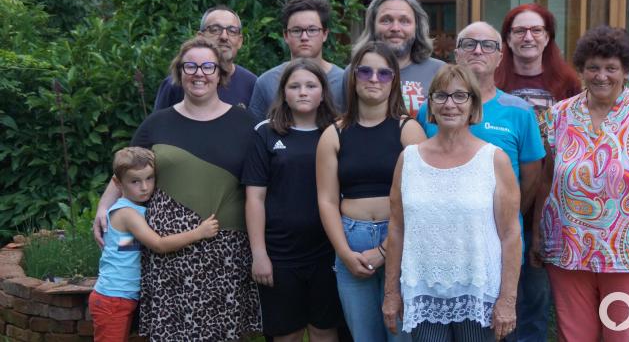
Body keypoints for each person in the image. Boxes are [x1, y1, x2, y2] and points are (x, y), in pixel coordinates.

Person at [93, 36, 261, 340]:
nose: (199, 73)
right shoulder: (157, 123)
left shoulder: (246, 123)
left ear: (221, 74)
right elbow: (126, 170)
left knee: (221, 331)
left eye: (208, 66)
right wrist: (103, 207)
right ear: (179, 73)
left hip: (225, 250)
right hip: (167, 250)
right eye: (191, 66)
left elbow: (259, 187)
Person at [536, 26, 629, 341]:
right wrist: (537, 235)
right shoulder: (558, 115)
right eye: (593, 68)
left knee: (625, 337)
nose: (602, 76)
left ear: (626, 71)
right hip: (567, 251)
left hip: (628, 256)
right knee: (574, 337)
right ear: (582, 70)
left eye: (611, 68)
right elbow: (547, 181)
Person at [383, 64, 522, 342]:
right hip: (424, 295)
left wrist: (507, 300)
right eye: (441, 96)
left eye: (460, 96)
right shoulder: (408, 160)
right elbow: (397, 228)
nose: (450, 104)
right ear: (430, 105)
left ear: (473, 105)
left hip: (479, 295)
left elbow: (510, 235)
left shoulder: (494, 160)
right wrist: (391, 293)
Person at [317, 42, 426, 341]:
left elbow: (421, 200)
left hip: (400, 240)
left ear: (394, 80)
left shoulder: (410, 130)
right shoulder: (334, 133)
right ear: (353, 78)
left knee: (402, 335)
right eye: (365, 71)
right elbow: (326, 200)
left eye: (383, 73)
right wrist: (344, 253)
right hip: (350, 240)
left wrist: (383, 251)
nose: (374, 79)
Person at [495, 3, 581, 342]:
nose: (528, 37)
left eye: (536, 30)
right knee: (497, 296)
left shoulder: (568, 81)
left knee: (534, 298)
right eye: (519, 31)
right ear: (508, 38)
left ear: (548, 38)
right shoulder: (494, 77)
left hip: (547, 206)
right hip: (498, 203)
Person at [242, 59, 341, 342]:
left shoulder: (336, 131)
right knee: (287, 333)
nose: (303, 92)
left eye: (311, 86)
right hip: (280, 253)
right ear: (283, 92)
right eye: (294, 86)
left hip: (327, 250)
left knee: (325, 330)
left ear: (323, 92)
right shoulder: (266, 132)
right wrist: (259, 254)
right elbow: (255, 198)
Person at [416, 22, 544, 238]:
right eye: (469, 44)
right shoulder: (432, 109)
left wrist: (501, 217)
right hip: (439, 234)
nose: (477, 50)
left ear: (500, 57)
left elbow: (531, 181)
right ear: (457, 54)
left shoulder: (519, 112)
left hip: (500, 237)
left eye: (487, 45)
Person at [89, 147, 219, 342]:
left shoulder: (134, 209)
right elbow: (158, 244)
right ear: (117, 183)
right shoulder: (127, 214)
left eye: (149, 178)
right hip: (113, 298)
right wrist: (199, 232)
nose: (144, 187)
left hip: (121, 296)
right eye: (135, 181)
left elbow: (126, 247)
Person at [349, 0, 445, 117]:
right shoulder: (355, 72)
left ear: (417, 27)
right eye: (386, 20)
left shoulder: (440, 73)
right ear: (372, 25)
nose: (395, 28)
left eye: (404, 21)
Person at [249, 0, 346, 119]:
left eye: (312, 30)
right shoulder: (266, 82)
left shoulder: (344, 81)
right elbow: (256, 133)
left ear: (325, 34)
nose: (304, 37)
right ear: (285, 35)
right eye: (296, 30)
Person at [153, 5, 257, 110]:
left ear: (240, 41)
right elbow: (159, 124)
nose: (224, 37)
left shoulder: (252, 84)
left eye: (232, 31)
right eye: (215, 29)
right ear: (200, 37)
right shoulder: (175, 84)